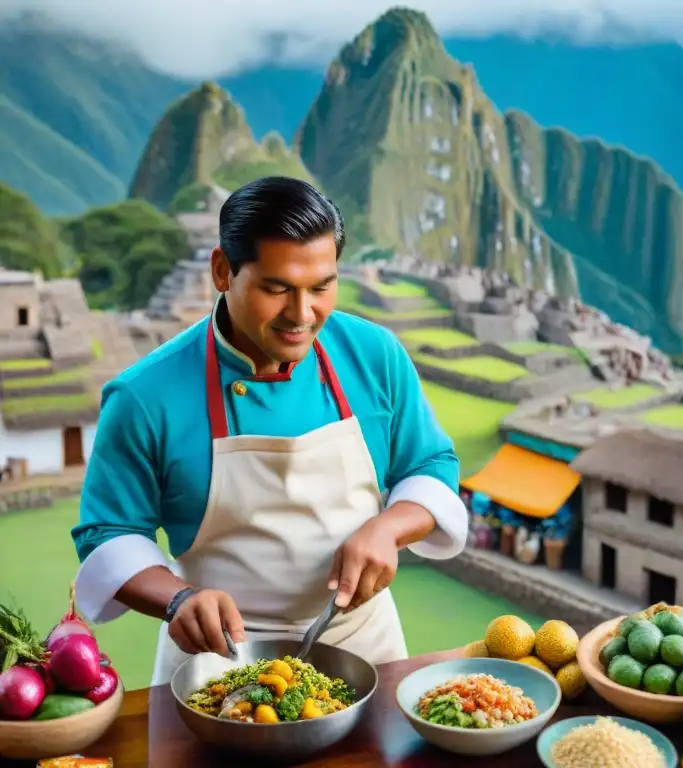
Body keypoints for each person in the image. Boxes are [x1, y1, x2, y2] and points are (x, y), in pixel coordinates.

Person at [71, 177, 467, 686]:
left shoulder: (375, 354)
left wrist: (389, 528)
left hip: (364, 649)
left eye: (321, 287)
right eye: (277, 289)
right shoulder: (144, 396)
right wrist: (178, 599)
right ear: (222, 271)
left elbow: (429, 464)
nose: (302, 316)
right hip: (219, 663)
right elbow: (110, 533)